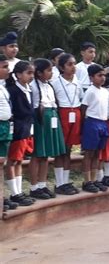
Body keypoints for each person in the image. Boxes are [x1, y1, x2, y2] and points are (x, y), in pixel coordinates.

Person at [29, 58, 66, 200]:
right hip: (40, 119)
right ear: (39, 73)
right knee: (37, 154)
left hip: (52, 117)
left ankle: (42, 184)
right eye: (48, 70)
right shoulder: (33, 86)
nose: (51, 73)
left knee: (46, 154)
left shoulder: (49, 85)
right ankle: (33, 187)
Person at [5, 61, 35, 206]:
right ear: (18, 75)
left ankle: (19, 191)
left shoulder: (29, 89)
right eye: (28, 73)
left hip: (26, 129)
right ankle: (14, 193)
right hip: (17, 129)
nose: (31, 76)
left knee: (19, 161)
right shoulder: (13, 90)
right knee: (12, 161)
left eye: (32, 73)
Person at [51, 53, 82, 195]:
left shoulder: (77, 81)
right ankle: (59, 183)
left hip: (75, 113)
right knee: (60, 150)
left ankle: (66, 181)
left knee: (68, 150)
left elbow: (81, 98)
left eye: (74, 63)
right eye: (69, 64)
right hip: (62, 114)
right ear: (62, 67)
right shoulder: (56, 83)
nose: (73, 67)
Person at [80, 64, 109, 193]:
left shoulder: (105, 91)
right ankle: (87, 181)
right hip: (92, 122)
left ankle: (95, 179)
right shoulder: (90, 91)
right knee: (89, 153)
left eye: (104, 75)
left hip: (103, 122)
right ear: (91, 78)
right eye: (99, 75)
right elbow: (84, 108)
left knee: (98, 153)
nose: (102, 78)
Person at [0, 55, 17, 211]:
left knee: (2, 162)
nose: (8, 70)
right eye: (4, 67)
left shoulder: (3, 85)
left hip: (6, 127)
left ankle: (2, 197)